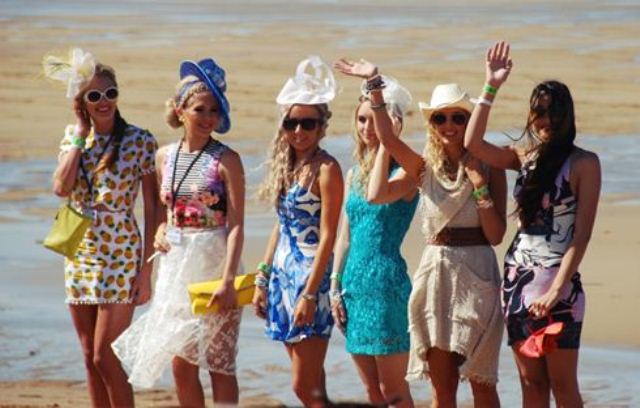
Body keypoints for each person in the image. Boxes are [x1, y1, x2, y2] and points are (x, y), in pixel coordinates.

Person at [336, 59, 507, 408]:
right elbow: (385, 138)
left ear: (468, 120)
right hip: (437, 275)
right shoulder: (422, 167)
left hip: (479, 272)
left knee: (482, 383)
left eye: (458, 117)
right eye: (439, 118)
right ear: (431, 123)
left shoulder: (490, 164)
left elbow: (495, 235)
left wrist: (479, 187)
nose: (449, 125)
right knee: (442, 388)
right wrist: (374, 83)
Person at [464, 41, 601, 408]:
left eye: (554, 114)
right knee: (531, 385)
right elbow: (473, 143)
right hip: (518, 283)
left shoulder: (584, 163)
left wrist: (557, 289)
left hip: (560, 288)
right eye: (539, 113)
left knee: (563, 386)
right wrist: (490, 86)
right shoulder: (524, 157)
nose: (546, 122)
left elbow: (581, 234)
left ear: (568, 117)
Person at [112, 58, 245, 406]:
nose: (208, 117)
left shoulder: (227, 159)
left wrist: (229, 278)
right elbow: (162, 212)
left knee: (220, 362)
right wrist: (158, 231)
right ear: (180, 110)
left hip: (214, 258)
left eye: (215, 110)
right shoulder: (163, 157)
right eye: (200, 109)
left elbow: (236, 224)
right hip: (175, 263)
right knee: (181, 364)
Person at [45, 48, 158, 407]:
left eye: (110, 92)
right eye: (94, 95)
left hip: (122, 254)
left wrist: (147, 268)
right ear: (82, 102)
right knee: (88, 358)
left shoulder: (141, 140)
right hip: (80, 253)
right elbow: (61, 187)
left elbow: (155, 208)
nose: (104, 100)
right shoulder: (73, 138)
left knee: (105, 356)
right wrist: (80, 134)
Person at [252, 56, 344, 406]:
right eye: (292, 123)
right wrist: (262, 277)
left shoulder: (327, 169)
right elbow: (281, 225)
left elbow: (329, 237)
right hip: (282, 276)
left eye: (308, 123)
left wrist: (308, 294)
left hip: (310, 281)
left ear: (322, 127)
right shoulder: (289, 166)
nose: (299, 132)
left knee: (302, 387)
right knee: (314, 386)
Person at [331, 63, 418, 408]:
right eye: (361, 119)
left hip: (385, 287)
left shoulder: (410, 170)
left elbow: (376, 194)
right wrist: (335, 286)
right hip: (354, 287)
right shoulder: (353, 173)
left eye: (374, 120)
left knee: (394, 393)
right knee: (372, 393)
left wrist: (387, 143)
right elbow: (344, 237)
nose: (367, 127)